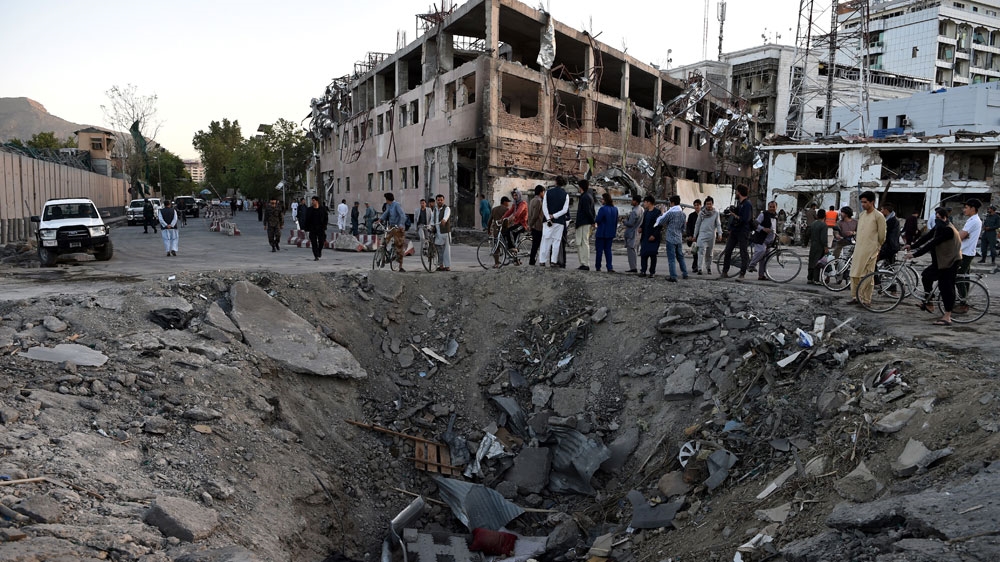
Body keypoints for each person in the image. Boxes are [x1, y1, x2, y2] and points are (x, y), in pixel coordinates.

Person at [908, 206, 961, 326]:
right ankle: (929, 302)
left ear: (945, 218)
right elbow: (927, 237)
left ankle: (947, 317)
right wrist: (912, 246)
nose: (936, 220)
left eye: (939, 218)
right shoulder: (939, 227)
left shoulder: (948, 230)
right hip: (941, 261)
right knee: (926, 276)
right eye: (935, 217)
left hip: (950, 262)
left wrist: (915, 255)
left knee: (946, 287)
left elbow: (933, 243)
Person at [849, 191, 887, 305]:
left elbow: (882, 235)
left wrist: (877, 247)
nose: (863, 205)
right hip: (859, 249)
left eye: (865, 202)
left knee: (867, 276)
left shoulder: (878, 216)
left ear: (872, 202)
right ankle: (855, 297)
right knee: (854, 274)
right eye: (862, 202)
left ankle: (866, 300)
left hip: (871, 250)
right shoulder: (862, 215)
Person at [956, 198, 983, 312]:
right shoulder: (972, 220)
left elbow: (960, 236)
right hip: (966, 252)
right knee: (964, 277)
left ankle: (963, 304)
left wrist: (959, 235)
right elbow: (962, 235)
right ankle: (963, 301)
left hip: (966, 253)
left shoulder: (974, 221)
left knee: (959, 278)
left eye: (966, 207)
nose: (964, 209)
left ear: (973, 208)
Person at [721, 185, 753, 279]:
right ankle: (724, 271)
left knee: (743, 252)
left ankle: (742, 274)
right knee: (728, 250)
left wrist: (734, 215)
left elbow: (745, 219)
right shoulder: (740, 203)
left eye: (736, 192)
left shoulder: (747, 204)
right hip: (735, 231)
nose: (736, 193)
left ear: (739, 192)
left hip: (743, 231)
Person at [539, 176, 570, 267]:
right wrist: (555, 215)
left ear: (555, 182)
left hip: (548, 221)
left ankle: (542, 260)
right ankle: (553, 261)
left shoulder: (548, 192)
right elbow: (565, 210)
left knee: (545, 240)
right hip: (559, 221)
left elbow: (544, 207)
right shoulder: (565, 195)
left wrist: (549, 217)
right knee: (556, 241)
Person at [656, 194, 688, 282]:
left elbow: (661, 221)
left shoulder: (670, 213)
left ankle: (673, 276)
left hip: (670, 237)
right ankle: (685, 273)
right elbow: (684, 228)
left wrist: (662, 213)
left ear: (672, 203)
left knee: (671, 258)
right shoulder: (683, 214)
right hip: (679, 238)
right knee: (680, 256)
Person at [748, 201, 778, 281]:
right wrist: (763, 229)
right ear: (768, 207)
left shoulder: (775, 217)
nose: (772, 208)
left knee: (764, 258)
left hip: (769, 241)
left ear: (776, 208)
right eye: (770, 207)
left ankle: (761, 275)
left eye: (773, 207)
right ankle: (751, 265)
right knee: (761, 251)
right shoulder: (763, 214)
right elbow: (755, 224)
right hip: (761, 239)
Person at [693, 196, 722, 275]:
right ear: (705, 204)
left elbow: (718, 224)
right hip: (702, 234)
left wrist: (720, 233)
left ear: (712, 204)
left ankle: (708, 267)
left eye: (710, 204)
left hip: (711, 235)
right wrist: (695, 235)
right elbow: (697, 224)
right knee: (701, 251)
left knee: (709, 253)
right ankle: (700, 269)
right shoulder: (701, 213)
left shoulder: (715, 213)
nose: (708, 205)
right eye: (707, 204)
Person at [379, 192, 408, 271]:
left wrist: (401, 225)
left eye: (386, 199)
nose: (386, 201)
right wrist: (380, 219)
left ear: (388, 199)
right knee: (384, 241)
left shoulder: (396, 205)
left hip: (398, 227)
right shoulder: (389, 205)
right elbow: (386, 213)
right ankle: (383, 259)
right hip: (391, 226)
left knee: (399, 246)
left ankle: (400, 266)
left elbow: (402, 215)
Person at [574, 179, 596, 270]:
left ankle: (585, 263)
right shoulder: (589, 196)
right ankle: (584, 263)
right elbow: (592, 211)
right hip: (585, 223)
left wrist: (593, 222)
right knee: (583, 242)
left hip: (583, 223)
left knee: (583, 243)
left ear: (581, 187)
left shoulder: (585, 197)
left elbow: (587, 211)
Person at [594, 192, 618, 272]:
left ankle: (598, 266)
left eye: (602, 199)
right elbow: (616, 221)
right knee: (608, 250)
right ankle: (609, 267)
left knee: (599, 251)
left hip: (601, 232)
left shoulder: (603, 209)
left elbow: (598, 220)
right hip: (610, 232)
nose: (601, 200)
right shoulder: (615, 209)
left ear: (605, 200)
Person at [638, 195, 662, 277]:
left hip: (653, 237)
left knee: (653, 255)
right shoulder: (646, 212)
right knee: (644, 254)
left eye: (645, 202)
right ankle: (643, 270)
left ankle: (652, 272)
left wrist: (654, 235)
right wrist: (641, 228)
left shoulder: (657, 212)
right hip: (645, 236)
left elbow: (659, 225)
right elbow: (644, 223)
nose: (644, 204)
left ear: (649, 202)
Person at [501, 189, 528, 253]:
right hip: (516, 224)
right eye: (513, 196)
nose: (514, 197)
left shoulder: (523, 203)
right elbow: (509, 212)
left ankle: (512, 248)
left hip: (522, 225)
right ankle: (514, 256)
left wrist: (512, 218)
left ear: (519, 195)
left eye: (516, 195)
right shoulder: (515, 204)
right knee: (505, 233)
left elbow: (518, 212)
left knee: (509, 231)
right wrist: (502, 218)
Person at [303, 196, 329, 261]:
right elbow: (306, 219)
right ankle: (316, 256)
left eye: (313, 200)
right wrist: (306, 228)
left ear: (317, 201)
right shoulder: (309, 210)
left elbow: (326, 218)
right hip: (312, 229)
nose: (312, 202)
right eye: (312, 200)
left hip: (320, 228)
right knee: (314, 243)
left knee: (321, 241)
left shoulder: (322, 209)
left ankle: (319, 250)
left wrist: (325, 226)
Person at [622, 194, 644, 273]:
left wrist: (625, 222)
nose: (632, 201)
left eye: (633, 200)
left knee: (631, 251)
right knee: (635, 250)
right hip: (638, 233)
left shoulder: (635, 211)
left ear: (636, 201)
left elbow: (631, 223)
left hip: (632, 233)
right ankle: (634, 267)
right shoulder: (641, 209)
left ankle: (633, 267)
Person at [807, 209, 828, 285]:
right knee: (818, 262)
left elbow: (808, 234)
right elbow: (823, 238)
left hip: (813, 244)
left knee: (811, 261)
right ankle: (816, 279)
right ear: (825, 216)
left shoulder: (813, 224)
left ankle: (810, 278)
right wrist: (826, 247)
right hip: (820, 246)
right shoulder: (824, 225)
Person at [488, 196, 511, 267]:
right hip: (504, 230)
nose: (508, 204)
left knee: (496, 246)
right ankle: (514, 258)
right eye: (508, 202)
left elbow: (489, 221)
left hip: (496, 230)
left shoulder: (494, 209)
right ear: (504, 202)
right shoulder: (506, 209)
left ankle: (496, 263)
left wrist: (488, 229)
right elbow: (507, 221)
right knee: (509, 244)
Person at [432, 193, 453, 271]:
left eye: (441, 200)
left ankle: (447, 266)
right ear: (436, 201)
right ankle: (440, 265)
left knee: (446, 249)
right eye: (438, 200)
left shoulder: (446, 208)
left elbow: (446, 216)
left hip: (445, 232)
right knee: (438, 249)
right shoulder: (434, 210)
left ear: (443, 200)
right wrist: (431, 225)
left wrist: (444, 220)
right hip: (438, 232)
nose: (440, 201)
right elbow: (432, 219)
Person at [528, 185, 545, 266]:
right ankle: (533, 261)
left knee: (535, 245)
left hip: (534, 226)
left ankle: (532, 260)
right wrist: (530, 225)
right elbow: (535, 215)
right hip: (538, 226)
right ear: (540, 192)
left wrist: (530, 224)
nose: (544, 194)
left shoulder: (532, 200)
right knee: (538, 245)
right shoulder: (538, 201)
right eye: (543, 192)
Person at [686, 199, 701, 273]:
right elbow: (688, 226)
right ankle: (695, 265)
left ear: (700, 206)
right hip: (694, 236)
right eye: (695, 205)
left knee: (700, 252)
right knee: (695, 252)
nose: (696, 207)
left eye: (697, 205)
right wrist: (689, 235)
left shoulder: (703, 215)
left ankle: (698, 266)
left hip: (701, 235)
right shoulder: (691, 216)